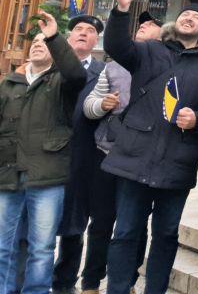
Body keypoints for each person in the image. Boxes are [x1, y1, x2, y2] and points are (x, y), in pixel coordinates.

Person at [102, 0, 198, 294]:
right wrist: (121, 10)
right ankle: (118, 288)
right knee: (126, 232)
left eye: (196, 17)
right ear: (174, 25)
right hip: (135, 157)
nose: (189, 17)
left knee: (165, 234)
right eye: (184, 14)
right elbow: (117, 45)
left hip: (178, 161)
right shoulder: (149, 51)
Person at [0, 10, 87, 294]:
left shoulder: (61, 82)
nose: (38, 44)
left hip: (47, 177)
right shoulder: (10, 83)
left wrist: (53, 36)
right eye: (34, 41)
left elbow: (77, 73)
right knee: (3, 245)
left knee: (42, 246)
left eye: (44, 42)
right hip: (8, 176)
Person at [80, 17, 161, 294]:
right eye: (139, 27)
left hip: (141, 159)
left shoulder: (168, 68)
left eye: (150, 27)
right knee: (101, 221)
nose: (142, 28)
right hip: (107, 154)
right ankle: (91, 282)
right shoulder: (113, 68)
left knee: (135, 225)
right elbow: (90, 106)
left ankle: (127, 282)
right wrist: (102, 104)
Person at [51, 15, 105, 294]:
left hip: (84, 160)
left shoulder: (103, 73)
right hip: (45, 158)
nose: (84, 33)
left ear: (96, 41)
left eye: (91, 31)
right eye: (78, 29)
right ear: (68, 38)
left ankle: (64, 283)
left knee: (74, 225)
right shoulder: (49, 66)